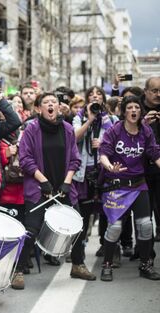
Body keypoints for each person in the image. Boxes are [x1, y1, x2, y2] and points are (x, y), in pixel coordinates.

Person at [13, 92, 93, 290]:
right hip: (39, 187)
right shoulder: (31, 129)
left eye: (54, 102)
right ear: (39, 108)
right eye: (46, 103)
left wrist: (67, 182)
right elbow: (25, 159)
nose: (50, 105)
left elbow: (75, 158)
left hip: (63, 187)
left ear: (59, 107)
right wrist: (44, 181)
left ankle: (77, 264)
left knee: (78, 227)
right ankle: (18, 271)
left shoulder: (66, 129)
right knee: (31, 229)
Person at [98, 95, 160, 281]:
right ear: (124, 112)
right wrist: (110, 167)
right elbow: (103, 153)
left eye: (137, 108)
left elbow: (154, 152)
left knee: (146, 225)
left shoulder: (146, 130)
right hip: (117, 186)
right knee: (115, 227)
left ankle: (145, 265)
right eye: (130, 107)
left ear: (140, 111)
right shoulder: (115, 131)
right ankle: (107, 265)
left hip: (139, 185)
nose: (134, 110)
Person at [72, 86, 121, 265]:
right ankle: (79, 249)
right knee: (84, 212)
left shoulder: (112, 118)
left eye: (98, 94)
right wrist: (89, 120)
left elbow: (119, 142)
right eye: (91, 95)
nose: (95, 97)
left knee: (109, 211)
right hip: (85, 171)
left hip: (105, 170)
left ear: (103, 98)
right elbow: (75, 137)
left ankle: (110, 249)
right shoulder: (79, 116)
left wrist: (103, 142)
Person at [142, 76, 160, 242]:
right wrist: (143, 123)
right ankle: (142, 249)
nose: (158, 94)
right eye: (154, 91)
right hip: (141, 170)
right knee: (143, 213)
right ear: (146, 91)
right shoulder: (135, 108)